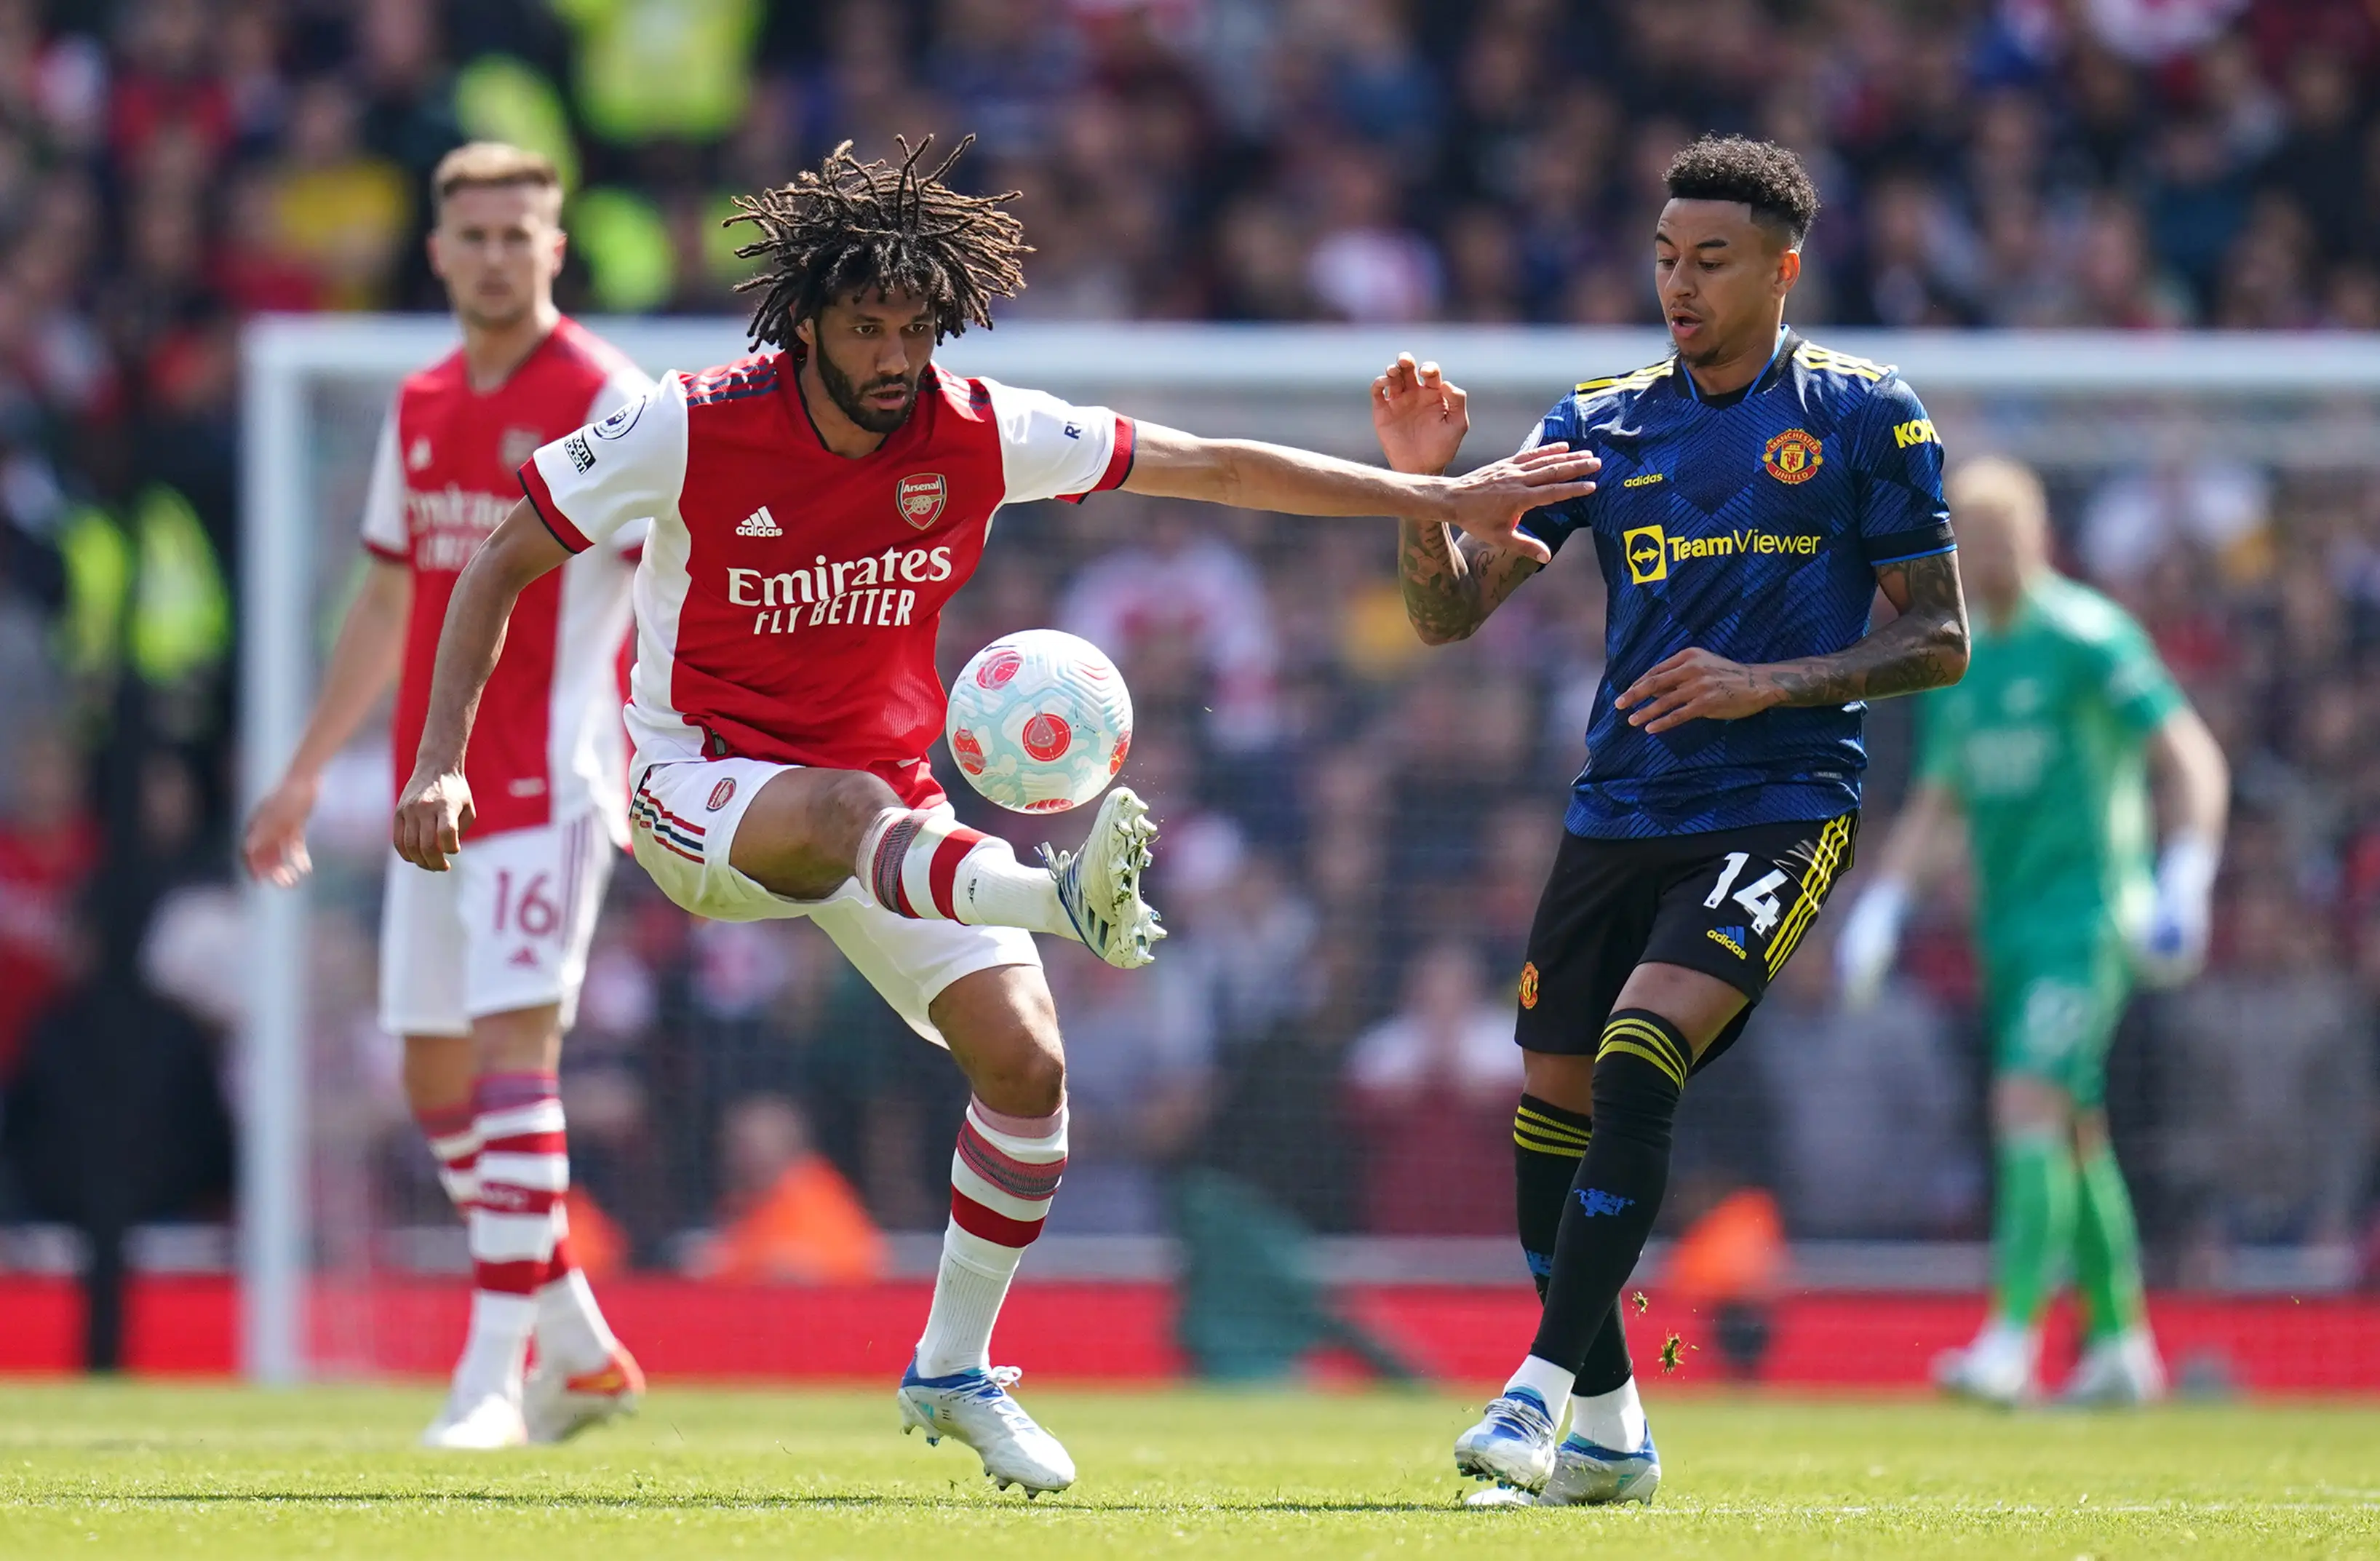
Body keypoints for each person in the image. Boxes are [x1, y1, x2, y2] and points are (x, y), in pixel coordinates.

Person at [388, 135, 1596, 1497]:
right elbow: (503, 556)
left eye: (916, 325)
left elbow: (1207, 467)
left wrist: (1427, 493)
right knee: (855, 812)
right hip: (701, 787)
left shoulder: (975, 427)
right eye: (866, 326)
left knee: (1028, 1072)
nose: (895, 354)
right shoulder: (688, 420)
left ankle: (952, 1369)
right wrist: (443, 760)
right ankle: (1053, 894)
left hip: (892, 817)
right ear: (808, 323)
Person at [1371, 134, 1970, 1504]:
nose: (1678, 286)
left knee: (1644, 1046)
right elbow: (1446, 614)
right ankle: (1611, 1429)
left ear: (1780, 268)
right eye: (1663, 260)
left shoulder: (1867, 413)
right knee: (1554, 1095)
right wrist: (1422, 492)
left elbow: (1937, 640)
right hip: (1618, 806)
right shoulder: (1599, 423)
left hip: (1780, 801)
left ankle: (1528, 1395)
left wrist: (1763, 686)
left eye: (1709, 261)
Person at [242, 143, 648, 1450]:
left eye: (516, 233)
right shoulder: (419, 403)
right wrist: (307, 768)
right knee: (431, 1075)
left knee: (512, 1061)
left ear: (556, 246)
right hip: (439, 787)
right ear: (435, 249)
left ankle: (491, 1375)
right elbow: (386, 593)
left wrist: (658, 745)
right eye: (471, 234)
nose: (493, 254)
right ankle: (578, 1338)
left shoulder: (608, 396)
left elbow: (668, 575)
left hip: (547, 778)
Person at [1835, 455, 2229, 1406]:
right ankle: (2119, 1347)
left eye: (2002, 535)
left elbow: (2188, 754)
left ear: (2038, 535)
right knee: (2072, 1130)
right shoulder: (1962, 662)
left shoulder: (2088, 637)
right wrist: (1882, 904)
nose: (1986, 554)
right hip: (2004, 927)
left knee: (2022, 1104)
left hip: (2087, 918)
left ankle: (2008, 1340)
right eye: (1968, 539)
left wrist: (2184, 874)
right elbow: (1938, 805)